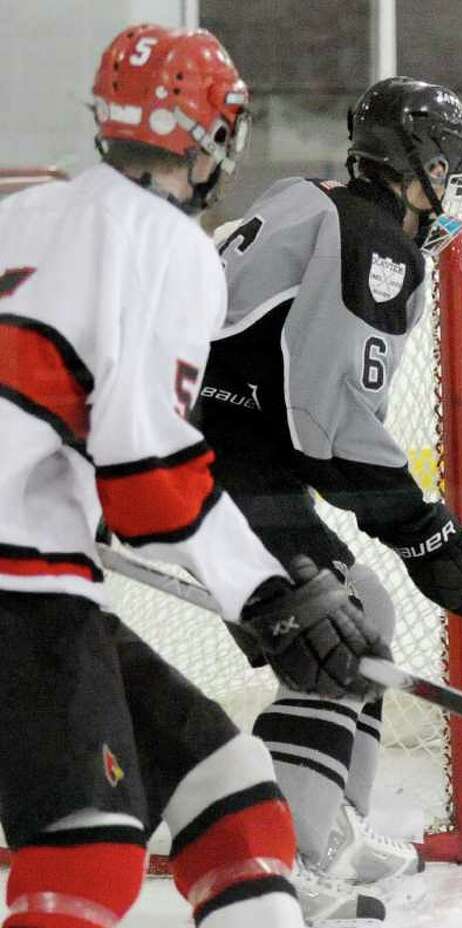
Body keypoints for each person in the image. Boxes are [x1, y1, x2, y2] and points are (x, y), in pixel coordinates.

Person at [0, 24, 390, 928]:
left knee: (234, 794)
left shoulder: (25, 215)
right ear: (214, 136)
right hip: (20, 592)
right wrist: (269, 592)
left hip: (38, 586)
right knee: (89, 854)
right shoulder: (170, 248)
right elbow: (145, 477)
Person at [193, 77, 462, 920]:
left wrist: (417, 533)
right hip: (200, 463)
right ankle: (281, 861)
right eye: (448, 167)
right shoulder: (375, 242)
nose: (455, 187)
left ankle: (328, 829)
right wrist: (428, 533)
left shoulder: (312, 201)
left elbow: (300, 409)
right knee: (331, 624)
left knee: (358, 613)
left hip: (210, 448)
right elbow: (327, 424)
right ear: (413, 165)